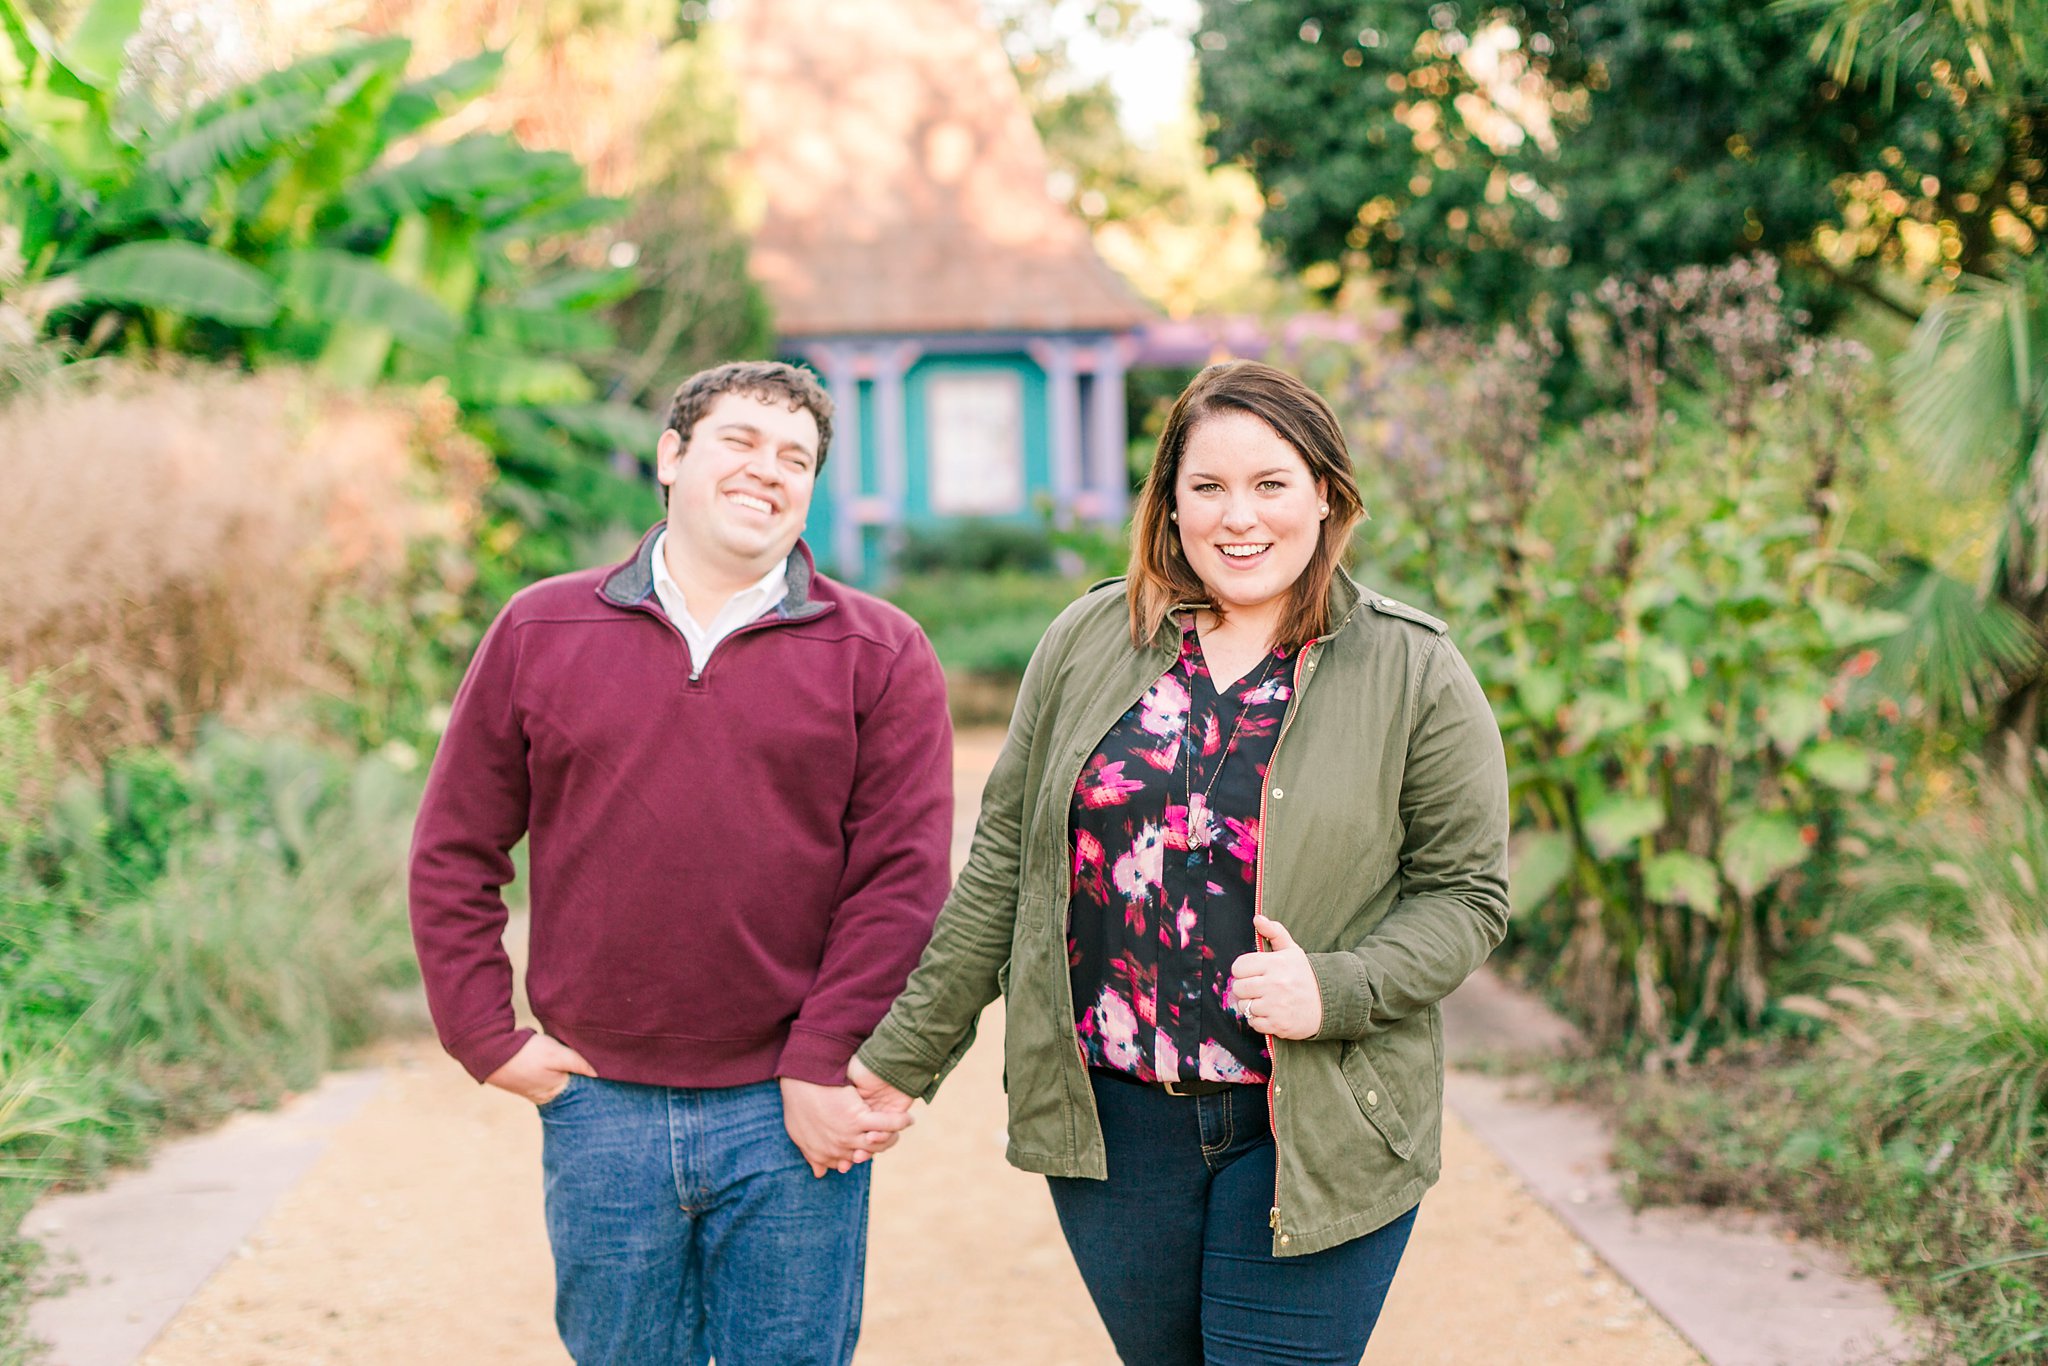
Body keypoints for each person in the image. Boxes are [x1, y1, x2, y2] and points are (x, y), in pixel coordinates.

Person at [849, 360, 1509, 1365]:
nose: (1237, 517)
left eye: (1269, 484)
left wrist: (1336, 985)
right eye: (1205, 487)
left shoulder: (1413, 668)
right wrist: (902, 1057)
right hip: (1115, 1131)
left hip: (1314, 1118)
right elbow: (1003, 870)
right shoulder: (1086, 639)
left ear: (1324, 493)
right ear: (1169, 502)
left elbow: (1464, 894)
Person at [409, 360, 953, 1366]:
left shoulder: (879, 652)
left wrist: (821, 1058)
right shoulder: (540, 626)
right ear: (671, 457)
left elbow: (901, 883)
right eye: (739, 442)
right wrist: (484, 1036)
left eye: (795, 457)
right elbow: (454, 848)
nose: (767, 470)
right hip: (599, 1102)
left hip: (789, 1108)